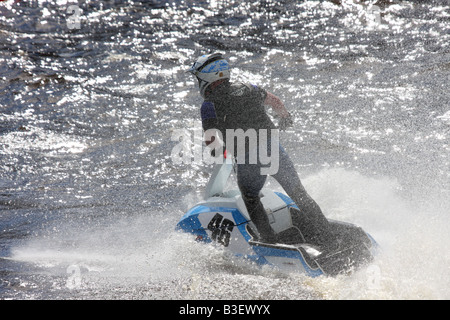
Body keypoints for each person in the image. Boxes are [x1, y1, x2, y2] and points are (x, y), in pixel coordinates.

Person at [187, 52, 336, 249]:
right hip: (273, 149)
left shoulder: (209, 105)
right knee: (299, 193)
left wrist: (221, 154)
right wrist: (284, 117)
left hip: (249, 157)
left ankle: (268, 241)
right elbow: (276, 102)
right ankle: (328, 236)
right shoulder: (250, 88)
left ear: (207, 78)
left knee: (250, 196)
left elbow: (211, 139)